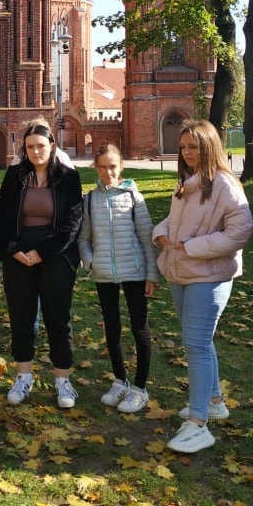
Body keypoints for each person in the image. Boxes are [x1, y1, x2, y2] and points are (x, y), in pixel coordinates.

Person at [153, 119, 253, 453]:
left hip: (209, 276)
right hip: (181, 271)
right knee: (198, 340)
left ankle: (198, 424)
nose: (187, 152)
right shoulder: (187, 182)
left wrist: (192, 247)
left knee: (195, 343)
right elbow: (175, 220)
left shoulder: (226, 184)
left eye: (193, 146)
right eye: (183, 147)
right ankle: (213, 401)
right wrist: (162, 233)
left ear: (209, 147)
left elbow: (239, 231)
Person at [0, 120, 83, 408]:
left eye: (41, 146)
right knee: (21, 318)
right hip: (18, 256)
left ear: (52, 147)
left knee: (58, 319)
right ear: (24, 149)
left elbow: (72, 222)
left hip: (56, 255)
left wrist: (43, 252)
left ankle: (62, 381)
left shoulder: (68, 177)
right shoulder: (15, 176)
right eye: (30, 147)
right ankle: (23, 377)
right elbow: (1, 215)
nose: (35, 151)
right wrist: (14, 249)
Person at [78, 143, 158, 413]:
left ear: (121, 166)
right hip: (104, 274)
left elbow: (147, 239)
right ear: (96, 167)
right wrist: (91, 262)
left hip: (134, 271)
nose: (108, 172)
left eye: (113, 166)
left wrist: (151, 273)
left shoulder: (134, 196)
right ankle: (120, 380)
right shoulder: (90, 199)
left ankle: (140, 387)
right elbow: (83, 238)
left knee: (139, 328)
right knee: (112, 327)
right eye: (103, 167)